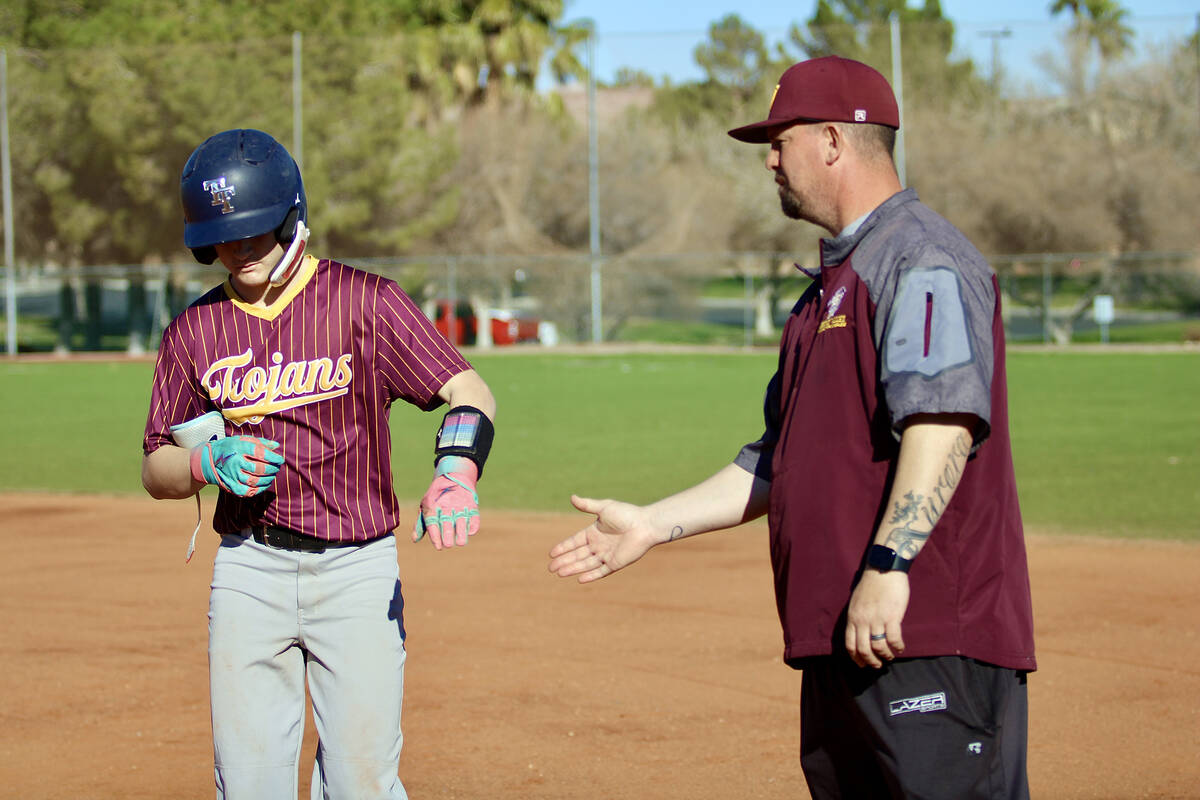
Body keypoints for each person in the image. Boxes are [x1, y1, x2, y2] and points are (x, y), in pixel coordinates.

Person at [548, 56, 1035, 800]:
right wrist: (653, 522)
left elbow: (943, 423)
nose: (770, 160)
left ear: (834, 142)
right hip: (844, 639)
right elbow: (780, 459)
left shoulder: (920, 257)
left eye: (781, 140)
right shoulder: (825, 293)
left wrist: (889, 566)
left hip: (926, 635)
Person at [141, 128, 496, 799]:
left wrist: (456, 470)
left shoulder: (368, 303)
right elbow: (155, 464)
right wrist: (202, 465)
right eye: (223, 236)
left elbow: (468, 390)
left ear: (290, 215)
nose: (238, 249)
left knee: (361, 785)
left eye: (254, 230)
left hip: (357, 570)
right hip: (250, 567)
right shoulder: (193, 333)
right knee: (246, 785)